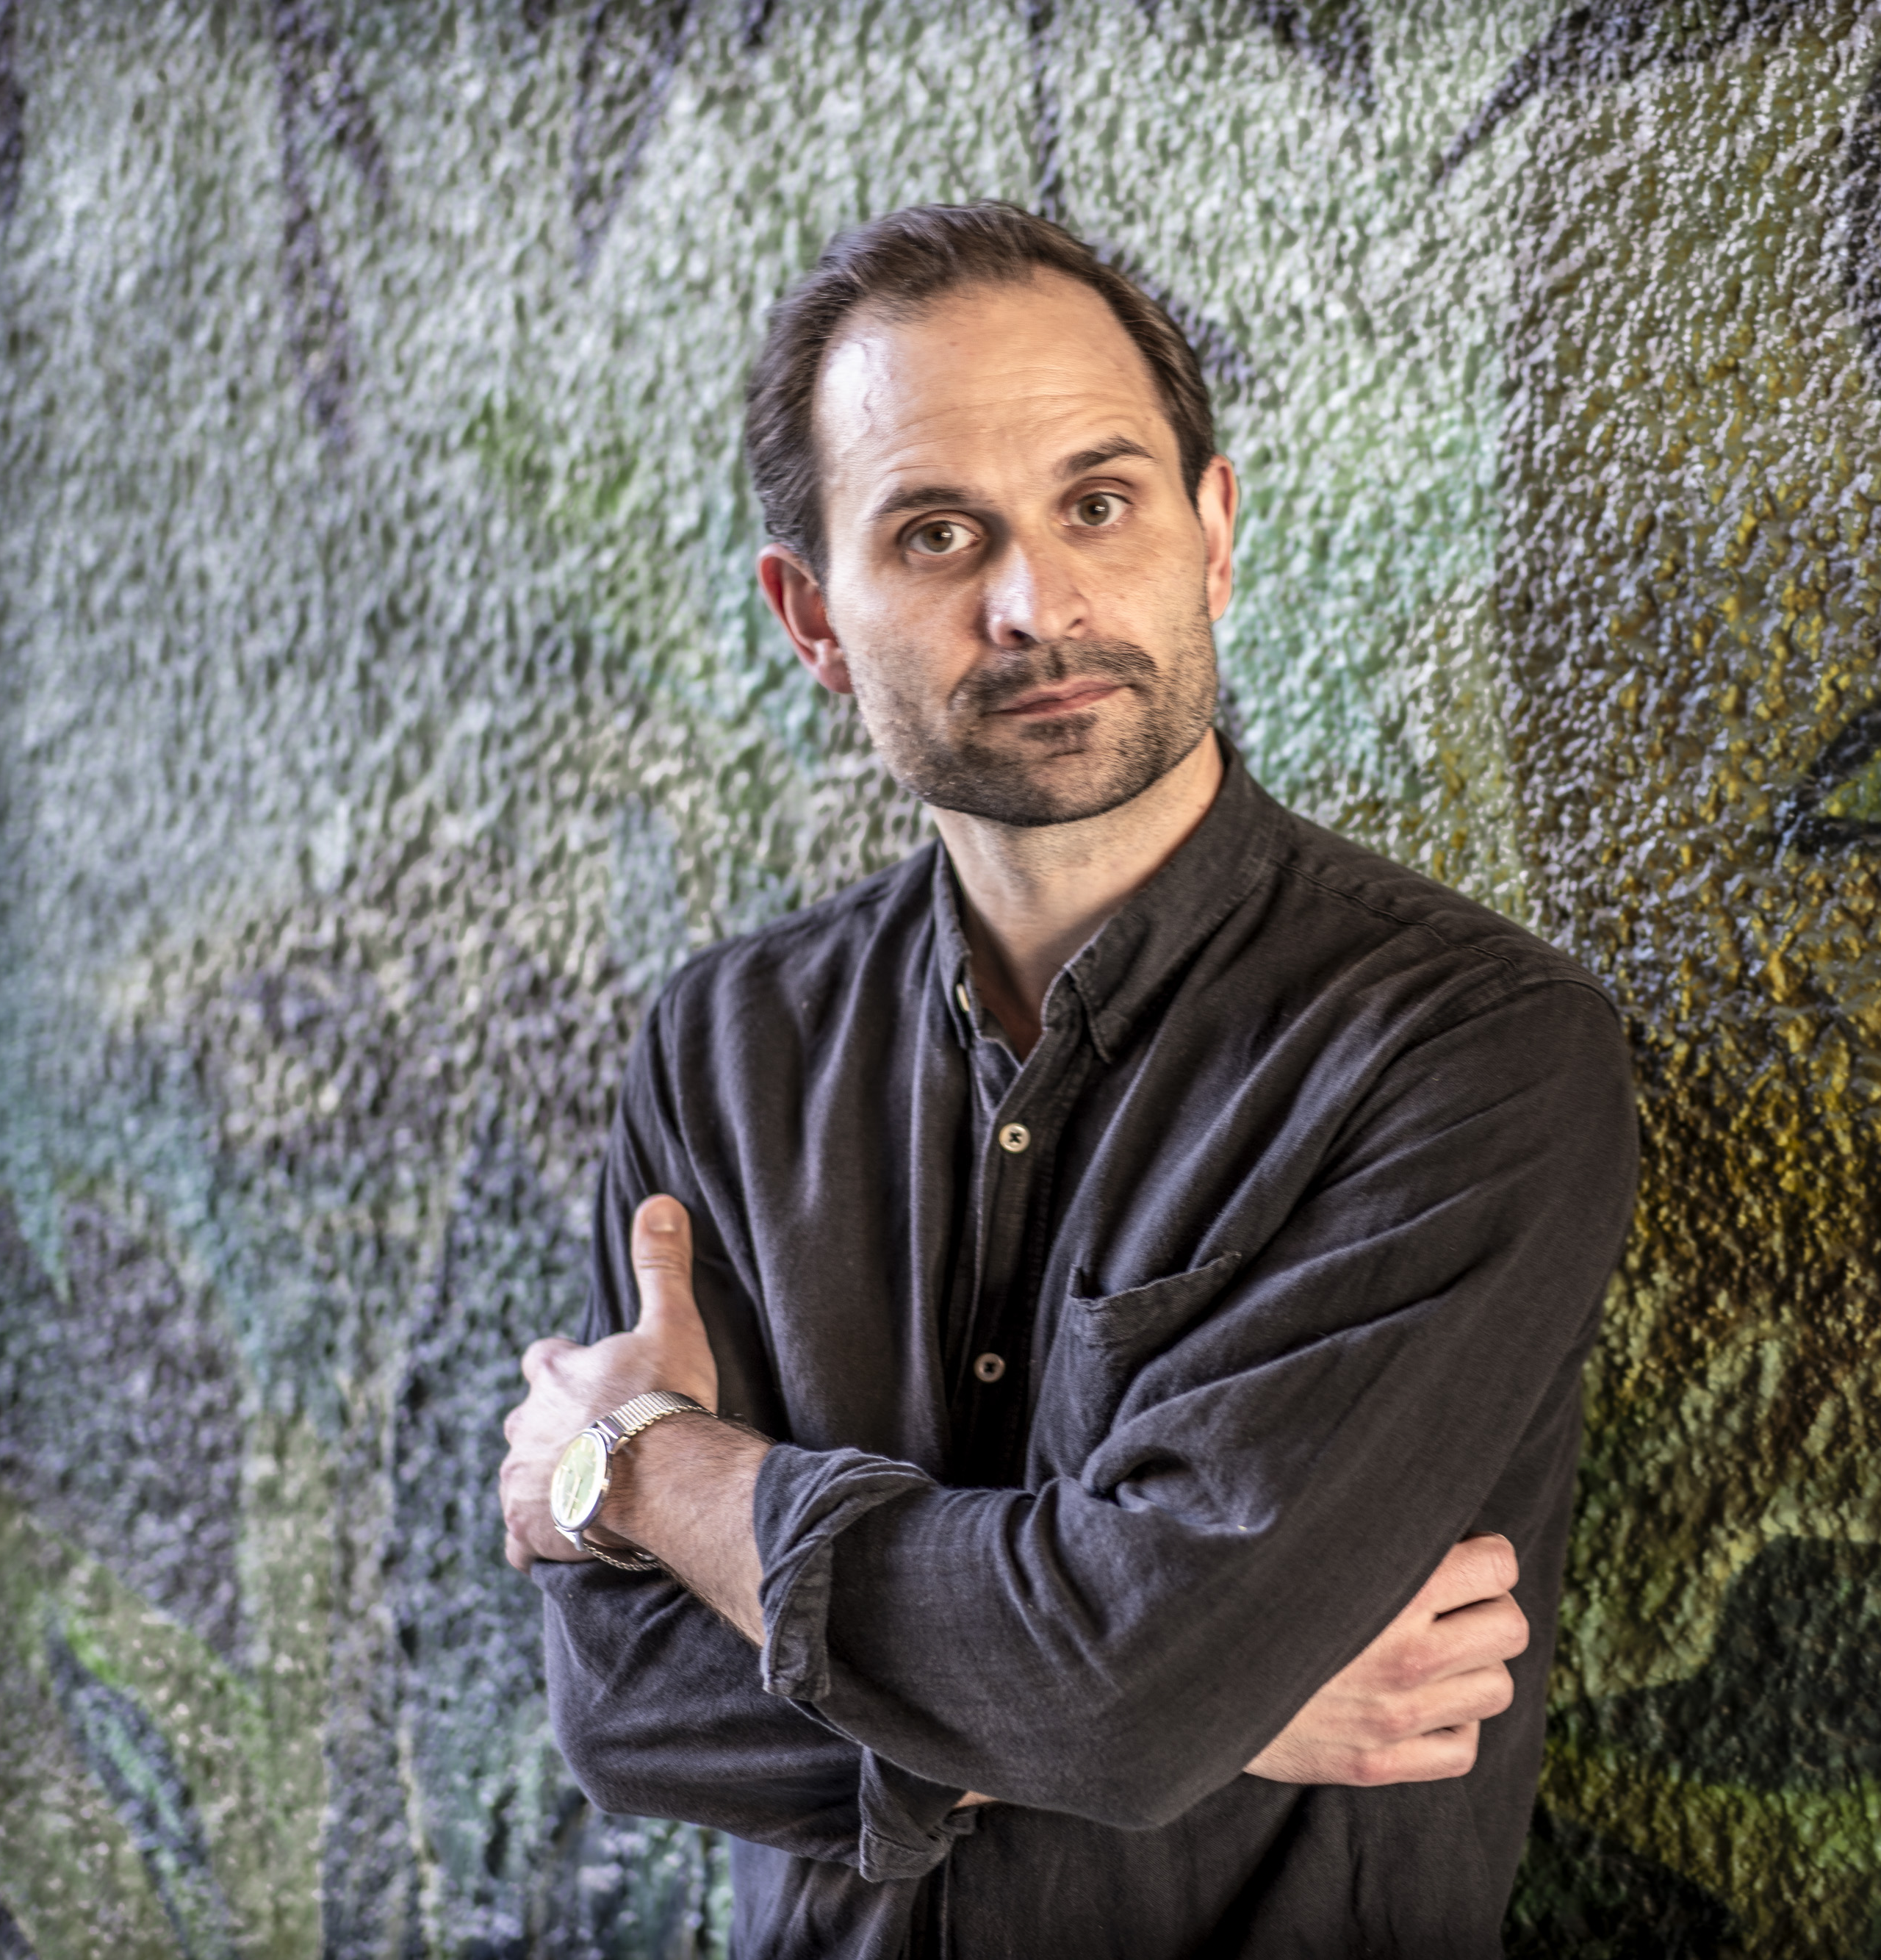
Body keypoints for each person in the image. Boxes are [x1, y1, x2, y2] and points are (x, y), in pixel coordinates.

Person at [489, 201, 1639, 1958]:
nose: (1036, 604)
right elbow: (629, 1705)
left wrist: (649, 1470)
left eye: (1097, 503)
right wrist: (1192, 1702)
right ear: (812, 616)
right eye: (936, 533)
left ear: (1212, 533)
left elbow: (1130, 1689)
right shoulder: (727, 1047)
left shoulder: (1463, 1049)